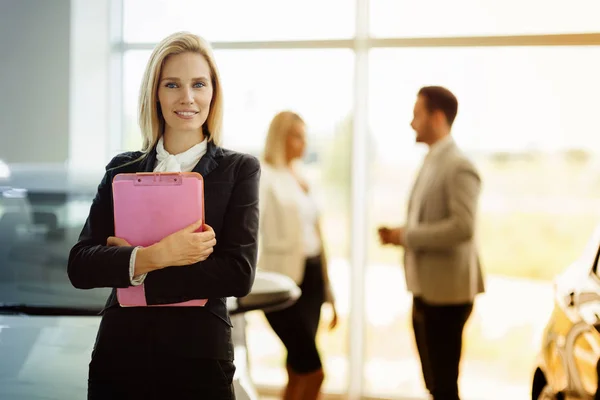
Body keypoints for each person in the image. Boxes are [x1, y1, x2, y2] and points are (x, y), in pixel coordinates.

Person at [67, 31, 260, 400]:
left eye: (198, 84)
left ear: (213, 94)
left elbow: (237, 273)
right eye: (172, 84)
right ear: (156, 93)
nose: (187, 98)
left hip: (199, 360)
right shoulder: (121, 169)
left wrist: (130, 272)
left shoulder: (239, 170)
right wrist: (159, 255)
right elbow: (81, 264)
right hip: (119, 357)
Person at [378, 86, 484, 400]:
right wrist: (400, 233)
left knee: (444, 385)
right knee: (435, 384)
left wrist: (406, 236)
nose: (412, 124)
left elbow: (463, 228)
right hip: (427, 291)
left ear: (436, 117)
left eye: (416, 116)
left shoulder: (459, 165)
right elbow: (433, 220)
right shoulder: (433, 160)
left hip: (447, 296)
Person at [257, 111, 338, 400]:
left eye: (305, 136)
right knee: (314, 371)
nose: (304, 143)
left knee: (296, 365)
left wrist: (329, 290)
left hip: (313, 278)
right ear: (281, 137)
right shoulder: (265, 175)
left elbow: (317, 236)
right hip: (284, 282)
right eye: (297, 136)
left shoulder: (303, 178)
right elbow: (252, 231)